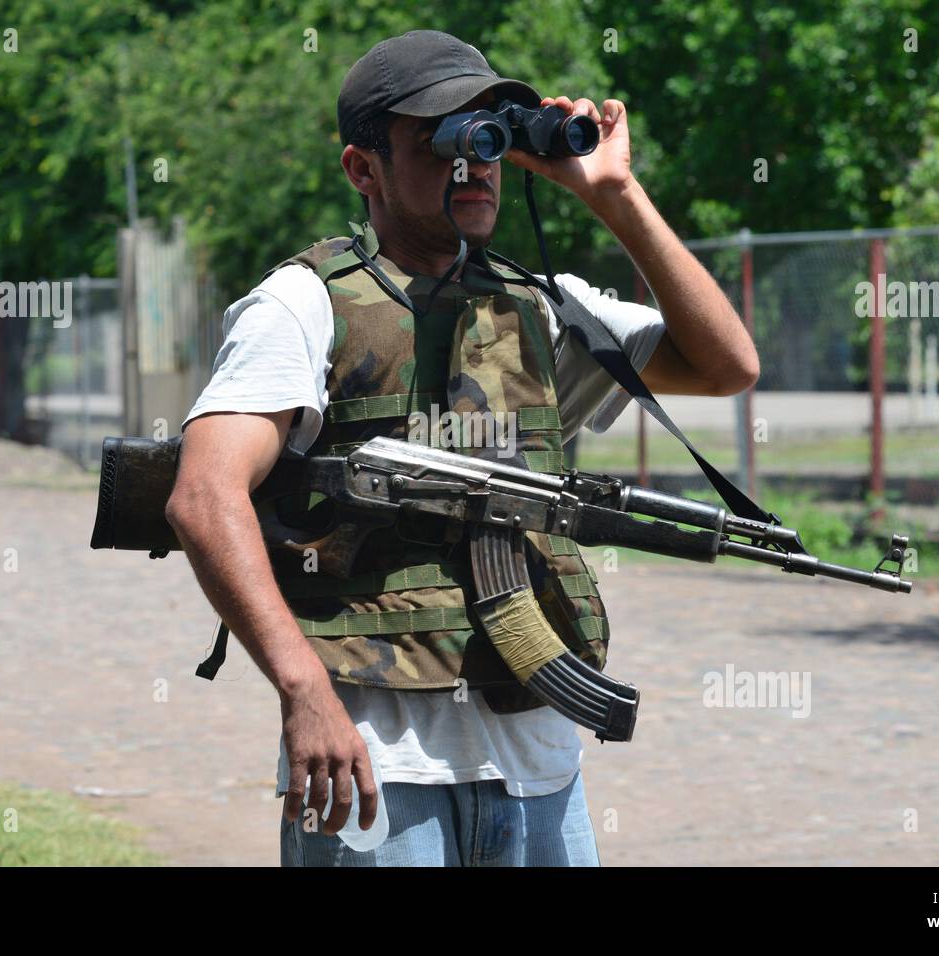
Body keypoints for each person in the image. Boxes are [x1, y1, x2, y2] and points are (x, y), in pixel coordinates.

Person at [165, 30, 758, 867]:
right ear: (362, 169)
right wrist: (302, 689)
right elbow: (203, 496)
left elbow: (726, 364)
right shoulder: (302, 306)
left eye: (491, 137)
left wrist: (615, 194)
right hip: (376, 766)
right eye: (440, 140)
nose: (474, 165)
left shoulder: (535, 306)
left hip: (539, 764)